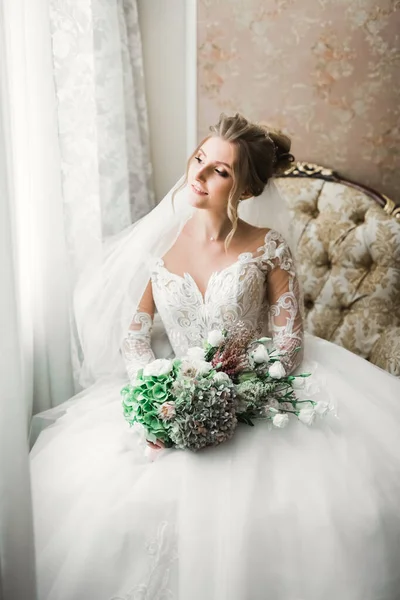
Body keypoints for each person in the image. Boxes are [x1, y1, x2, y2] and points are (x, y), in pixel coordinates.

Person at [30, 114, 400, 600]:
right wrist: (161, 390)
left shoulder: (268, 246)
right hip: (172, 394)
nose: (199, 177)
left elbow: (289, 347)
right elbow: (135, 337)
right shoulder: (159, 244)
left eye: (219, 171)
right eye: (199, 160)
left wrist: (227, 393)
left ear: (244, 189)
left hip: (259, 393)